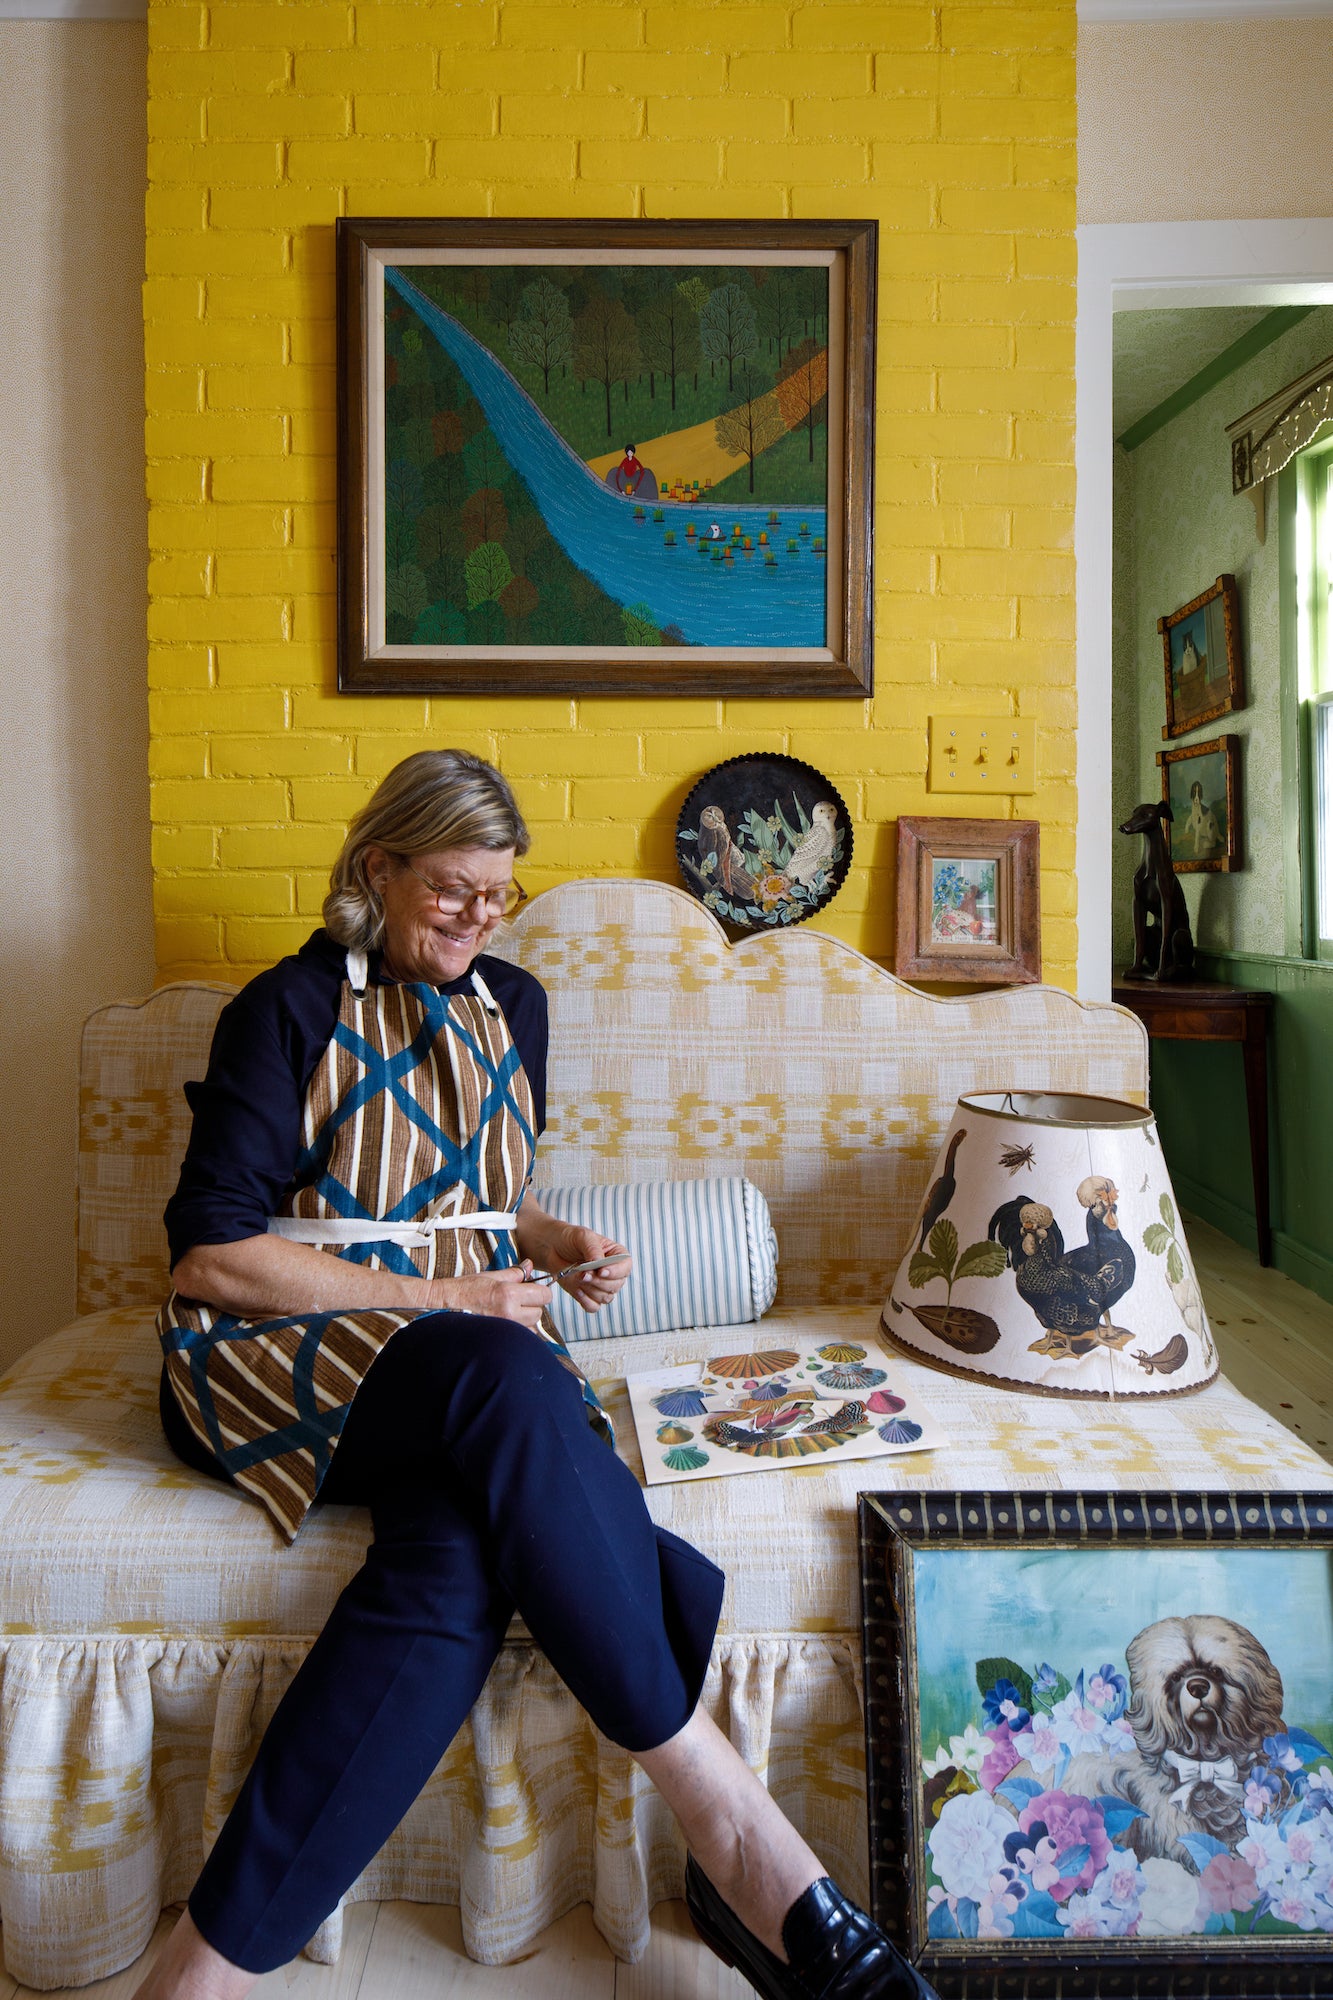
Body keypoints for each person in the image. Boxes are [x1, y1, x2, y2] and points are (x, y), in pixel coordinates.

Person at [139, 749, 935, 2000]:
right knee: (506, 1376)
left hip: (447, 1362)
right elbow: (211, 1257)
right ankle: (736, 1833)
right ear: (376, 869)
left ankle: (202, 1974)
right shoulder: (281, 1010)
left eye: (497, 893)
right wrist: (446, 1297)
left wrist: (543, 1239)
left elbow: (471, 1199)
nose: (477, 916)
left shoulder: (516, 1000)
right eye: (451, 886)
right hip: (279, 1356)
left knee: (455, 1545)